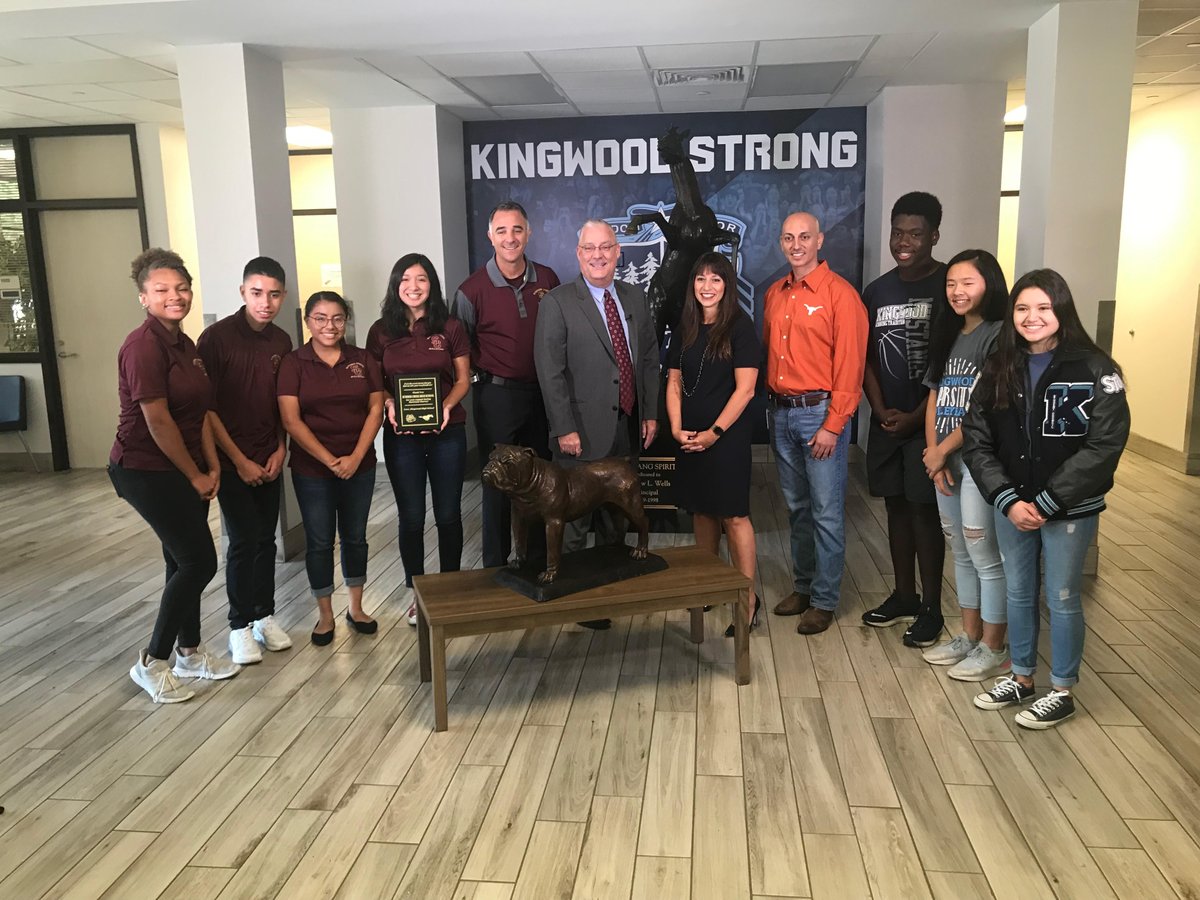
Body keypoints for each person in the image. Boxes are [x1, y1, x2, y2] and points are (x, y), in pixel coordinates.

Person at [964, 269, 1130, 729]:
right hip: (1012, 505)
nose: (1031, 317)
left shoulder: (1096, 369)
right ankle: (1021, 677)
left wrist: (1048, 502)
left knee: (1061, 596)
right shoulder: (998, 366)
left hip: (1068, 509)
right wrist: (1008, 499)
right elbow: (977, 439)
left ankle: (1062, 690)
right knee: (1018, 592)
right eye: (1022, 308)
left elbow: (1105, 445)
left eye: (1043, 307)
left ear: (1062, 310)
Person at [109, 248, 239, 703]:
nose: (175, 296)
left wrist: (211, 465)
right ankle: (152, 662)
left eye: (182, 288)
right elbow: (158, 421)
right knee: (198, 561)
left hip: (184, 466)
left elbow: (198, 412)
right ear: (143, 297)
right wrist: (194, 475)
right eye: (162, 289)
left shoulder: (185, 344)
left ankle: (190, 653)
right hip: (144, 469)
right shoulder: (142, 346)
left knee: (179, 560)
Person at [534, 219, 660, 629]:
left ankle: (606, 594)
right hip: (580, 432)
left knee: (615, 517)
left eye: (606, 247)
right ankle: (578, 604)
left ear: (618, 252)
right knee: (574, 522)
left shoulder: (634, 297)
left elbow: (648, 359)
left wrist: (650, 412)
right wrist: (563, 427)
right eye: (589, 248)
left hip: (626, 425)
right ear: (578, 254)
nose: (598, 255)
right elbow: (549, 371)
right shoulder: (558, 302)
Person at [764, 212, 868, 635]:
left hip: (819, 415)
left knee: (826, 511)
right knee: (797, 508)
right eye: (789, 238)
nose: (796, 245)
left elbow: (851, 366)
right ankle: (803, 587)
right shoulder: (774, 294)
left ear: (820, 240)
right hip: (780, 413)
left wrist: (834, 423)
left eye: (804, 237)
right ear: (781, 243)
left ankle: (824, 600)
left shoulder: (841, 295)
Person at [859, 191, 948, 646]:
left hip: (928, 427)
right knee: (894, 506)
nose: (904, 242)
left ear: (934, 235)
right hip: (887, 422)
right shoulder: (877, 291)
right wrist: (878, 410)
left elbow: (953, 365)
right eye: (897, 233)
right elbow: (865, 358)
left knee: (924, 511)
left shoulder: (948, 286)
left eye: (915, 234)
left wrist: (917, 417)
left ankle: (932, 607)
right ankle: (904, 595)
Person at [197, 256, 294, 665]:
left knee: (267, 539)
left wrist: (280, 448)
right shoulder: (215, 339)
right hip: (231, 459)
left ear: (283, 296)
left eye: (274, 295)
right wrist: (237, 460)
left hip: (269, 455)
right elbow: (207, 409)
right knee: (242, 541)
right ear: (243, 292)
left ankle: (263, 616)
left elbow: (283, 403)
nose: (265, 303)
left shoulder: (282, 341)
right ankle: (239, 626)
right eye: (257, 293)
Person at [452, 200, 559, 568]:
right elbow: (460, 348)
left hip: (541, 395)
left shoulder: (547, 279)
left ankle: (539, 560)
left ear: (529, 233)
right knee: (497, 481)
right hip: (495, 396)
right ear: (490, 236)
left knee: (539, 478)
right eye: (502, 230)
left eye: (517, 229)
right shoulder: (470, 291)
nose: (510, 238)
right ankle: (495, 564)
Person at [919, 249, 1010, 681]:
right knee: (960, 550)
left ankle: (994, 646)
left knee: (983, 553)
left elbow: (985, 406)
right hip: (945, 461)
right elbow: (934, 397)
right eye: (951, 283)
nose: (957, 291)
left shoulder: (999, 334)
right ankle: (969, 636)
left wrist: (944, 450)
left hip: (978, 461)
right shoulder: (948, 332)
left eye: (967, 283)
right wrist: (934, 454)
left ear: (989, 284)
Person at [367, 254, 470, 626]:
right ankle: (418, 593)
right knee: (411, 518)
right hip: (401, 438)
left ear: (432, 285)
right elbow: (375, 383)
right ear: (396, 285)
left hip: (447, 433)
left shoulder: (451, 326)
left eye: (422, 279)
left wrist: (446, 406)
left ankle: (450, 589)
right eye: (406, 279)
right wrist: (390, 403)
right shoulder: (381, 331)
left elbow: (463, 379)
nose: (413, 286)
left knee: (448, 514)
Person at [277, 291, 384, 645]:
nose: (330, 326)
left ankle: (356, 608)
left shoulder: (362, 359)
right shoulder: (294, 363)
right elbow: (291, 420)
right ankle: (325, 616)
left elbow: (375, 409)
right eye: (320, 318)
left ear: (346, 321)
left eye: (337, 318)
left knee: (355, 537)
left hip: (359, 465)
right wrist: (329, 460)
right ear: (307, 321)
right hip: (312, 470)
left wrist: (355, 456)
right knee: (320, 541)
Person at [666, 252, 760, 637]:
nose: (707, 286)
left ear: (727, 285)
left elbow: (746, 390)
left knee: (733, 516)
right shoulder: (686, 326)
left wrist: (714, 433)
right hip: (689, 437)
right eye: (701, 279)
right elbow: (674, 381)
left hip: (726, 437)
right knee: (702, 512)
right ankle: (709, 586)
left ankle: (746, 600)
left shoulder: (740, 326)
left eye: (716, 279)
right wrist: (676, 428)